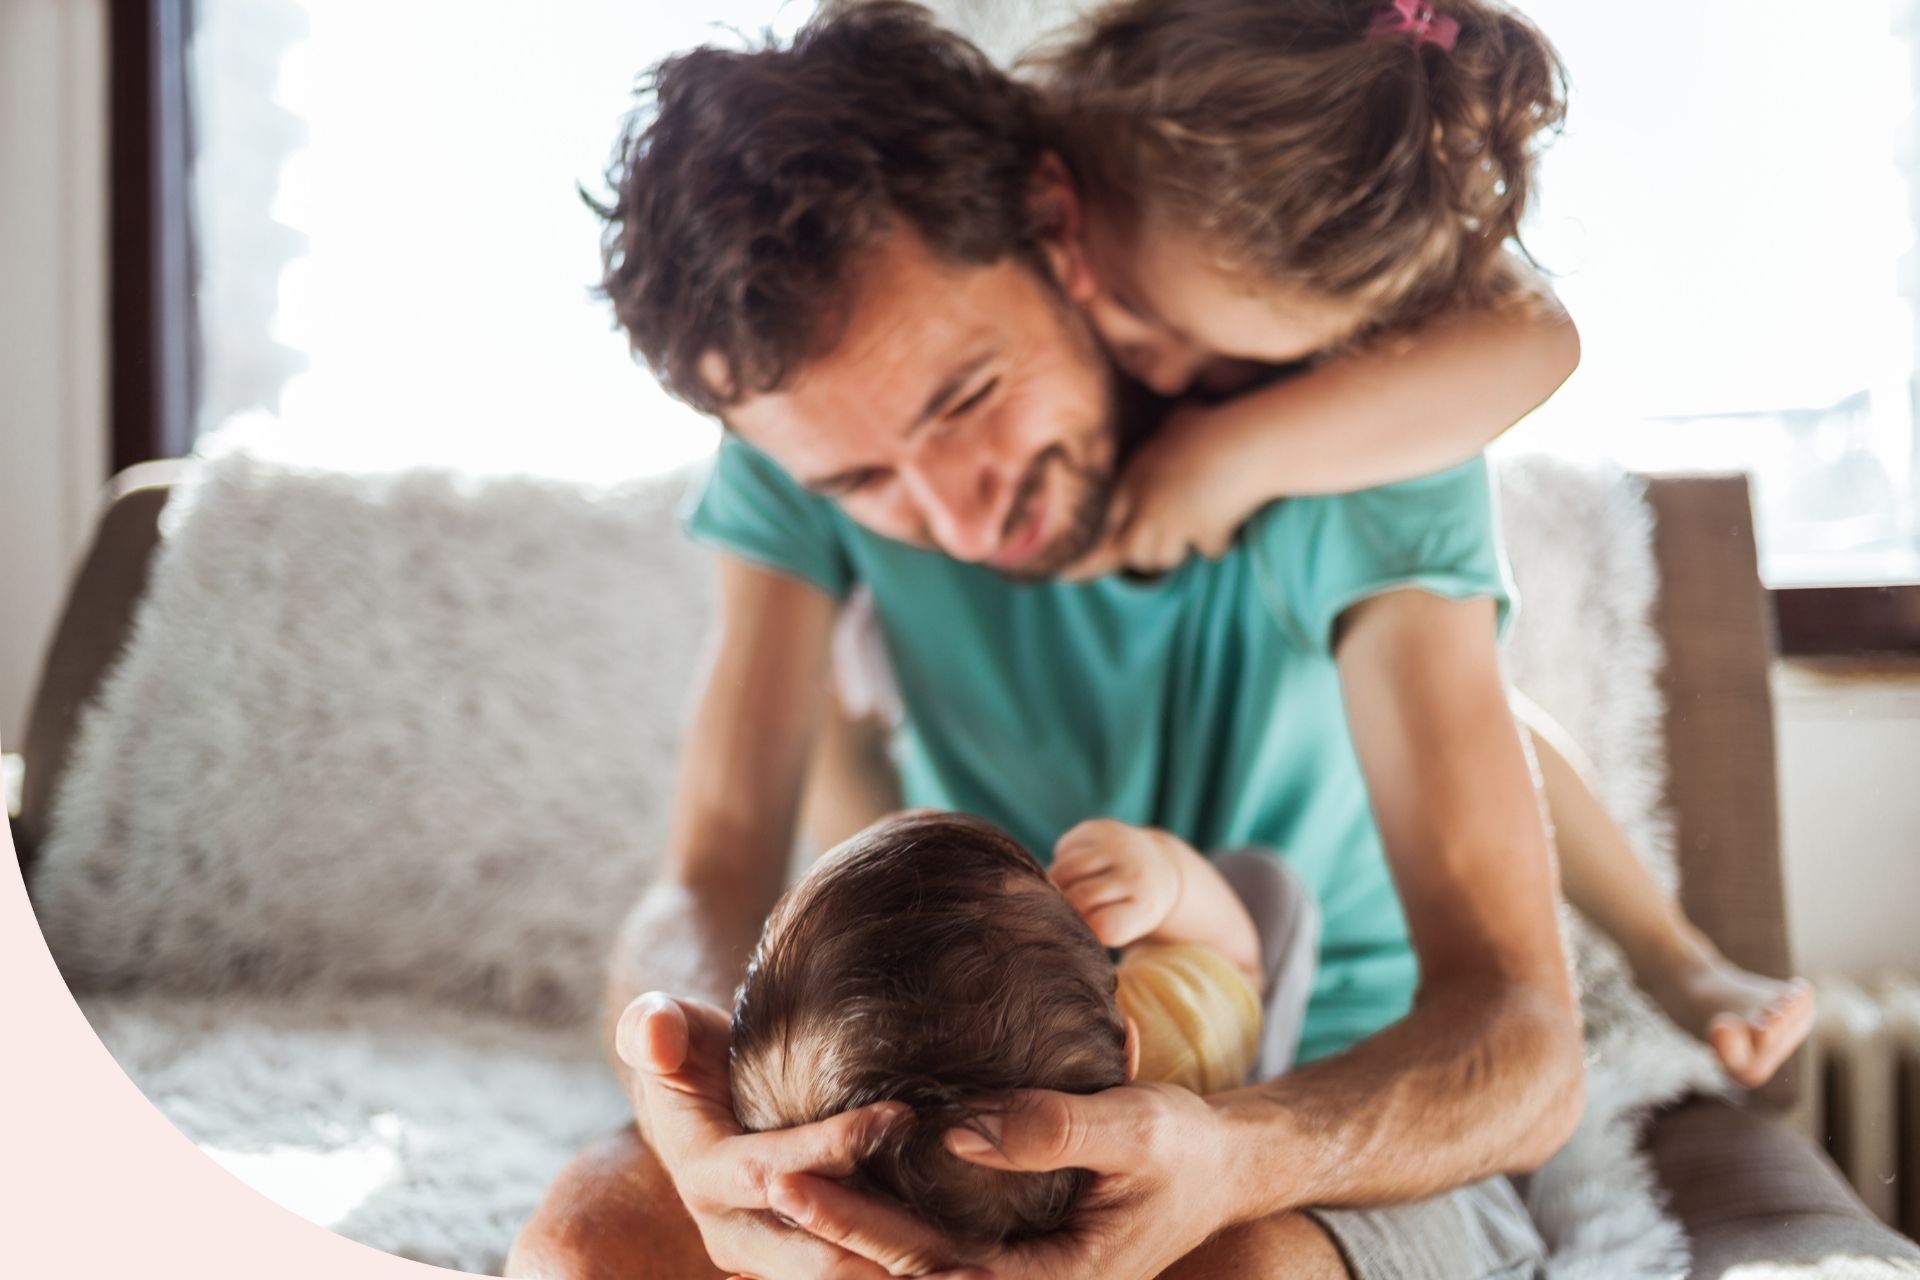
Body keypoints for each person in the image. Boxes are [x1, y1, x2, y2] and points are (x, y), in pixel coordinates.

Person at [510, 5, 1581, 1277]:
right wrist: (677, 1073)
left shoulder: (1353, 426)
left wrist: (1233, 1152)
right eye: (862, 478)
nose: (960, 515)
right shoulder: (790, 441)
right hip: (946, 1083)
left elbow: (1525, 1041)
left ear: (1053, 232)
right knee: (593, 1243)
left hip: (1329, 1093)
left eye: (969, 396)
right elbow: (708, 875)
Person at [808, 0, 1813, 1089]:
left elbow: (1541, 341)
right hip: (1073, 940)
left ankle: (1677, 951)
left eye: (1234, 363)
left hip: (1318, 924)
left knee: (1454, 689)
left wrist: (1232, 454)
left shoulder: (1323, 347)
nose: (1171, 376)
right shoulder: (1074, 150)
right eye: (1143, 316)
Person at [730, 810, 1318, 1262]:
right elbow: (1240, 961)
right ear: (1128, 1054)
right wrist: (1168, 878)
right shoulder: (1178, 1049)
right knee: (1265, 888)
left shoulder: (810, 1191)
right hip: (1212, 1106)